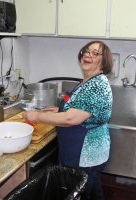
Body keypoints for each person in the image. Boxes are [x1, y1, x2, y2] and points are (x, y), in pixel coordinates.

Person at [22, 40, 113, 200]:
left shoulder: (96, 86)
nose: (87, 55)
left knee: (83, 193)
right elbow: (81, 110)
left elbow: (71, 118)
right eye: (86, 51)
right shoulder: (89, 80)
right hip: (87, 153)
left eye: (95, 53)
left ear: (103, 61)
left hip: (86, 155)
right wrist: (60, 110)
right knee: (93, 189)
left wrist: (36, 116)